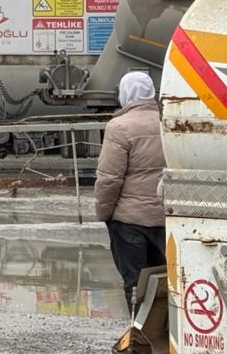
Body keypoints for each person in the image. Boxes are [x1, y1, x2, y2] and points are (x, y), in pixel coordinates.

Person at [95, 71, 166, 311]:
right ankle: (164, 336)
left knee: (136, 284)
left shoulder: (119, 127)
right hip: (165, 217)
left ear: (125, 93)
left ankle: (138, 333)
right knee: (165, 281)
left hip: (129, 221)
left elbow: (109, 179)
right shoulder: (168, 122)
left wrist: (104, 213)